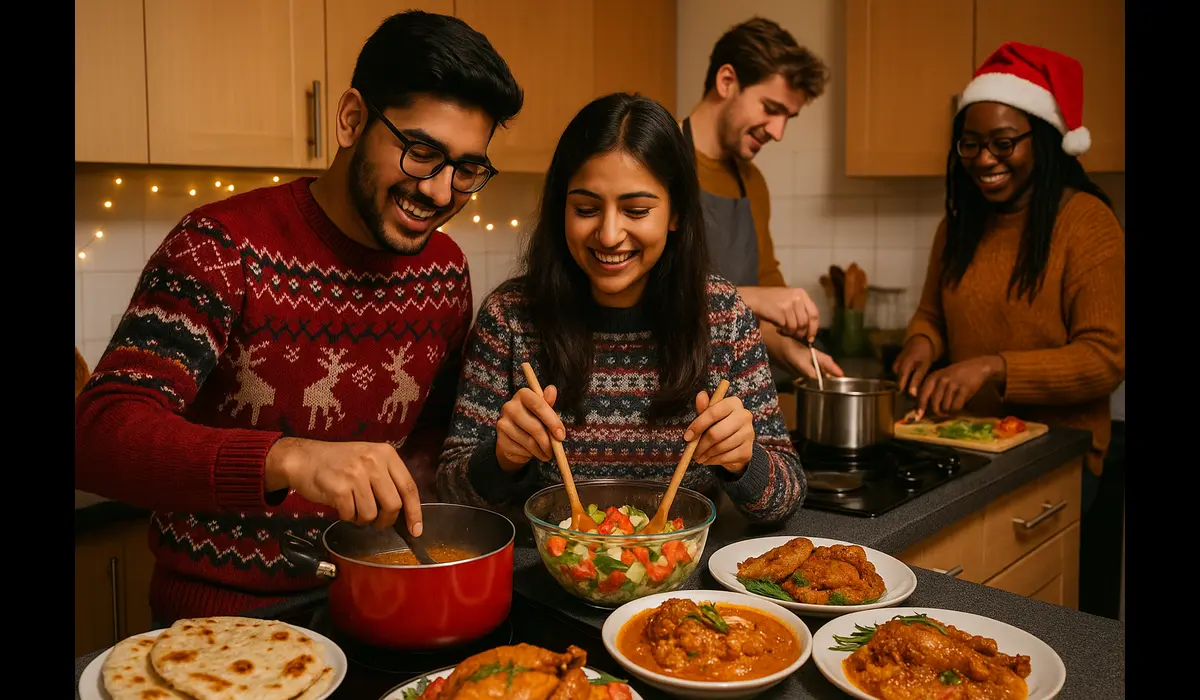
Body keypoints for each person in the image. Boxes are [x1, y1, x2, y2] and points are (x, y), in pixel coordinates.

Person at [74, 10, 523, 622]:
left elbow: (428, 437)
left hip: (380, 605)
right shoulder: (222, 246)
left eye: (467, 170)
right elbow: (99, 436)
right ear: (351, 119)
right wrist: (287, 457)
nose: (442, 193)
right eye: (421, 152)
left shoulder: (442, 271)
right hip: (223, 624)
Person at [436, 93, 805, 523]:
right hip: (545, 574)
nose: (609, 235)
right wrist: (501, 459)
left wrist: (745, 461)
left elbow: (788, 493)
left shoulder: (722, 316)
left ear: (676, 214)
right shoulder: (510, 317)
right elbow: (452, 491)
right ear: (562, 210)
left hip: (681, 582)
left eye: (636, 210)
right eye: (586, 209)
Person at [892, 42, 1125, 613]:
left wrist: (995, 366)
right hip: (968, 443)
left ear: (1043, 139)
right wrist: (922, 342)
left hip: (1061, 453)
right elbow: (932, 314)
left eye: (1003, 143)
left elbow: (1105, 358)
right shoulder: (958, 226)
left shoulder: (1085, 222)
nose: (984, 159)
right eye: (970, 144)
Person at [682, 17, 842, 380]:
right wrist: (754, 298)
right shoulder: (658, 159)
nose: (778, 132)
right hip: (665, 393)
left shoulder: (752, 182)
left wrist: (790, 349)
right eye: (770, 109)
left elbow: (764, 284)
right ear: (727, 82)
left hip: (733, 397)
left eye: (789, 117)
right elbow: (640, 292)